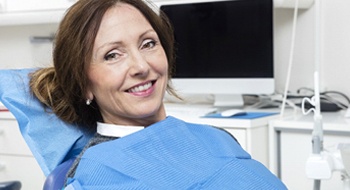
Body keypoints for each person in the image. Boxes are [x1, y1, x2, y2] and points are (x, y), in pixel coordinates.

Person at [30, 0, 287, 189]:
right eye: (112, 55)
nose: (142, 67)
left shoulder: (217, 136)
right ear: (83, 83)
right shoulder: (92, 176)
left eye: (148, 43)